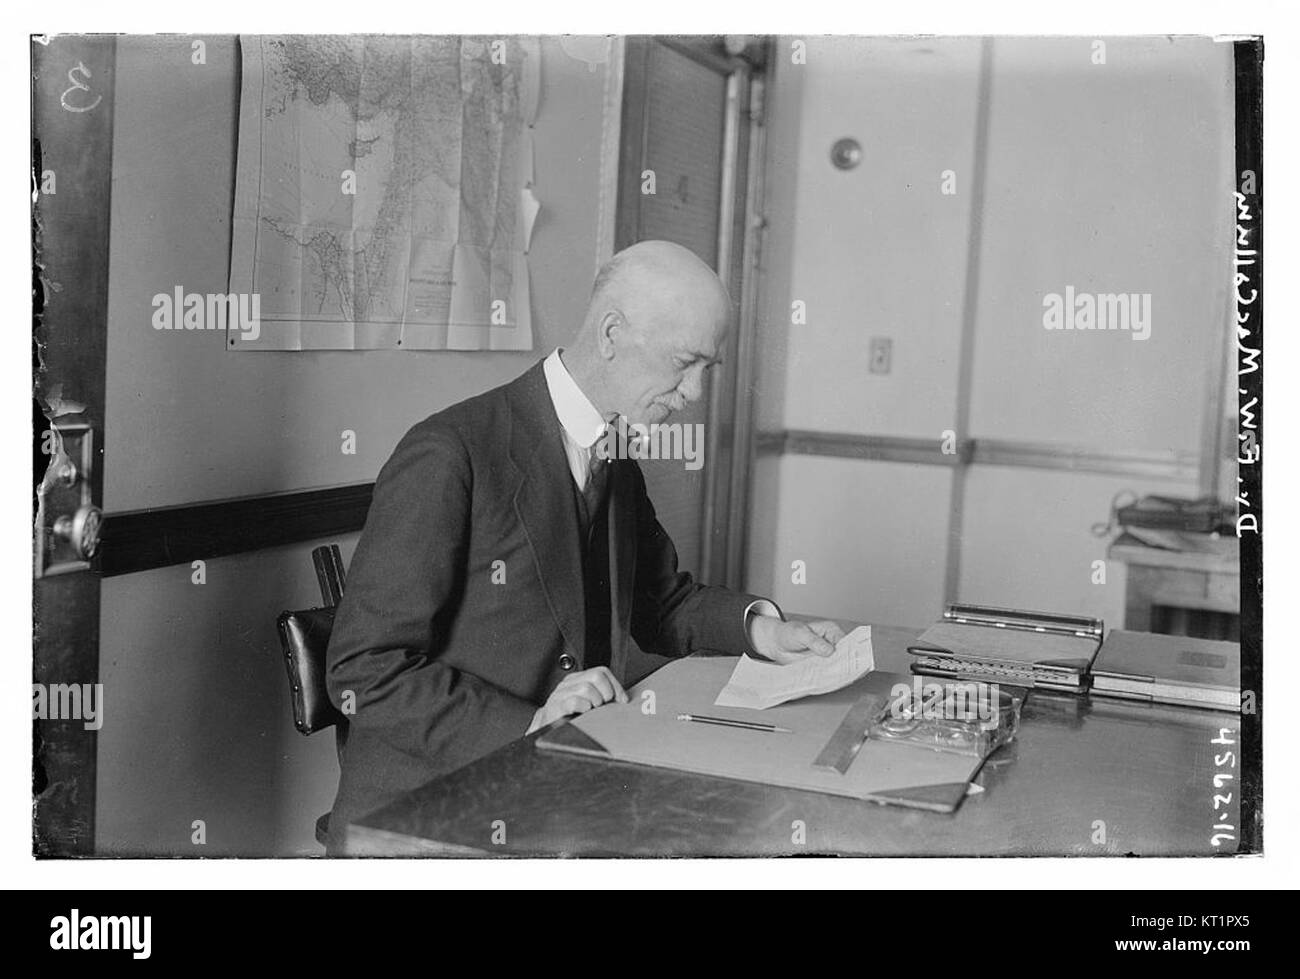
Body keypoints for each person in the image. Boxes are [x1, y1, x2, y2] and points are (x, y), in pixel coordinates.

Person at [325, 240, 844, 853]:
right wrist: (531, 722)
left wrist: (763, 631)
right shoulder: (450, 453)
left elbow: (660, 603)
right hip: (427, 814)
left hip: (552, 783)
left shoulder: (615, 454)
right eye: (685, 362)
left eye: (709, 369)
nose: (695, 393)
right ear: (610, 334)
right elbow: (365, 671)